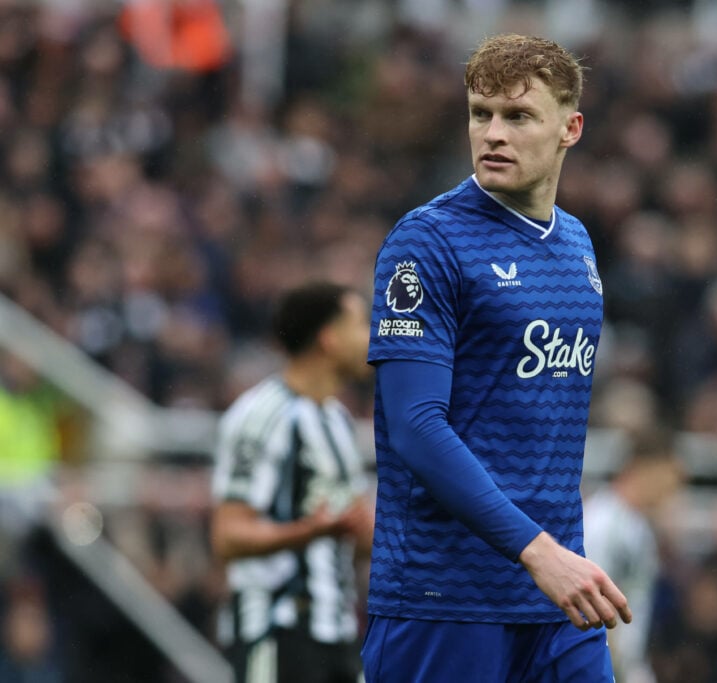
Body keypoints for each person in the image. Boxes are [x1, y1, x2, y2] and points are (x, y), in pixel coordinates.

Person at [361, 33, 631, 683]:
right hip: (445, 599)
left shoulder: (577, 246)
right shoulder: (428, 240)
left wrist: (556, 558)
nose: (493, 134)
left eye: (518, 116)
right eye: (481, 114)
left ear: (570, 128)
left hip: (558, 598)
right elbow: (417, 426)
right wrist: (537, 551)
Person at [210, 281, 374, 683]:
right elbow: (228, 537)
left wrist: (366, 532)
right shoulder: (262, 416)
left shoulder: (336, 421)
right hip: (277, 631)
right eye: (361, 324)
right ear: (329, 338)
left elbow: (349, 536)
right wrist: (310, 531)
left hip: (337, 633)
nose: (371, 336)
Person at [583, 428, 684, 683]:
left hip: (625, 665)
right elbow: (592, 600)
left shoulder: (637, 527)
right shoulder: (604, 522)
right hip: (601, 664)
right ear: (645, 468)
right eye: (670, 476)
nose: (673, 489)